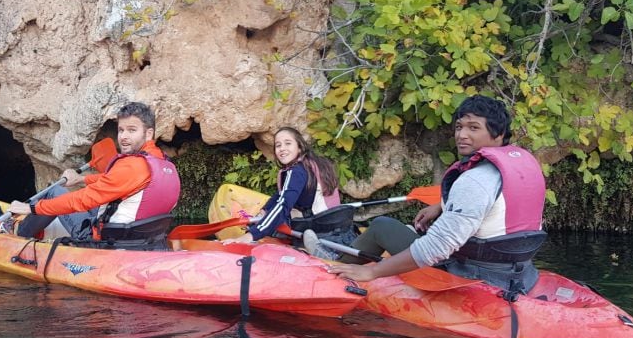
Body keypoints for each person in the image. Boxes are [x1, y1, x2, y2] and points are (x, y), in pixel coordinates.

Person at [329, 95, 547, 295]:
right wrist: (441, 206)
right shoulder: (523, 164)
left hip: (468, 275)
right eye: (459, 126)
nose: (462, 135)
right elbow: (497, 205)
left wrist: (373, 272)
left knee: (381, 226)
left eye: (474, 128)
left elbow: (437, 247)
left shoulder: (475, 180)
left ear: (497, 134)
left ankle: (330, 265)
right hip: (519, 273)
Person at [8, 101, 181, 244]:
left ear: (148, 133)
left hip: (106, 241)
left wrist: (31, 208)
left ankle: (17, 233)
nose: (123, 136)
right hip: (146, 240)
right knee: (97, 205)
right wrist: (81, 180)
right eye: (121, 130)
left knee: (54, 192)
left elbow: (82, 200)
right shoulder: (164, 164)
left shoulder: (133, 166)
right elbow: (116, 181)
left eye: (131, 130)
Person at [226, 127, 354, 256]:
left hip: (316, 233)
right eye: (278, 145)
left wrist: (251, 235)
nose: (282, 148)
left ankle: (322, 253)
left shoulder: (296, 171)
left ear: (299, 147)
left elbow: (283, 205)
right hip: (336, 230)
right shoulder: (310, 164)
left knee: (276, 223)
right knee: (275, 219)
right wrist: (265, 210)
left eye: (288, 143)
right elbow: (282, 194)